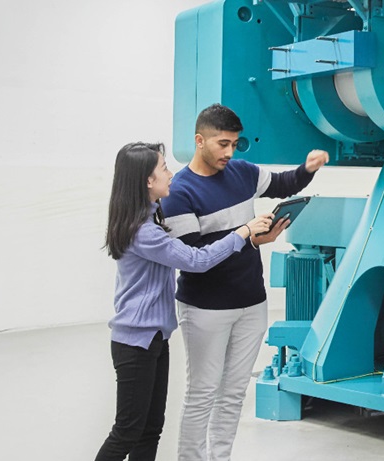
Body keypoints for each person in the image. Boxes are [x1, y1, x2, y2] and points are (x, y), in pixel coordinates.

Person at [163, 104, 329, 461]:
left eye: (235, 144)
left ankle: (219, 456)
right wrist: (248, 237)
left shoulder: (241, 172)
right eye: (222, 144)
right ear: (199, 140)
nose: (229, 152)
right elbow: (194, 259)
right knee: (202, 393)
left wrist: (308, 169)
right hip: (205, 308)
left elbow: (285, 183)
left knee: (235, 391)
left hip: (252, 302)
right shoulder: (179, 193)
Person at [96, 142, 273, 461]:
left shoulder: (149, 220)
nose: (171, 173)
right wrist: (243, 232)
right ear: (148, 181)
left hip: (153, 340)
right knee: (126, 432)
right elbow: (197, 260)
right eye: (163, 168)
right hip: (135, 344)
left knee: (150, 430)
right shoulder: (143, 232)